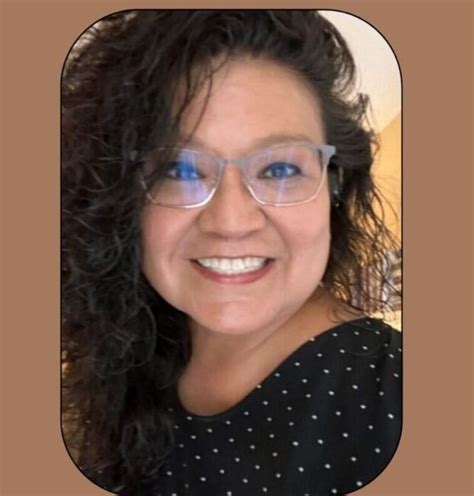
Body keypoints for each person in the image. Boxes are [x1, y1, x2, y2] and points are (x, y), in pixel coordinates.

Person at [61, 10, 402, 496]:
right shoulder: (130, 357)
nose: (230, 221)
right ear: (124, 199)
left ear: (334, 186)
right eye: (179, 170)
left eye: (281, 169)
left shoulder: (398, 394)